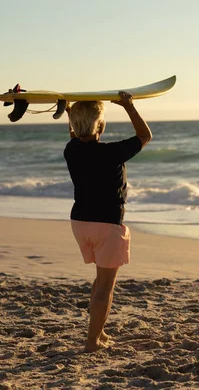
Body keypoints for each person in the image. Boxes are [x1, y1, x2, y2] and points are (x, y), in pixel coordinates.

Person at [64, 91, 152, 352]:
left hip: (80, 223)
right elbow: (145, 136)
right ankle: (92, 341)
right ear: (100, 125)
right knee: (105, 286)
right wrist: (129, 106)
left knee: (100, 281)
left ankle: (98, 333)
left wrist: (71, 114)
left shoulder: (71, 150)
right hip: (107, 225)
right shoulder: (113, 152)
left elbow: (74, 135)